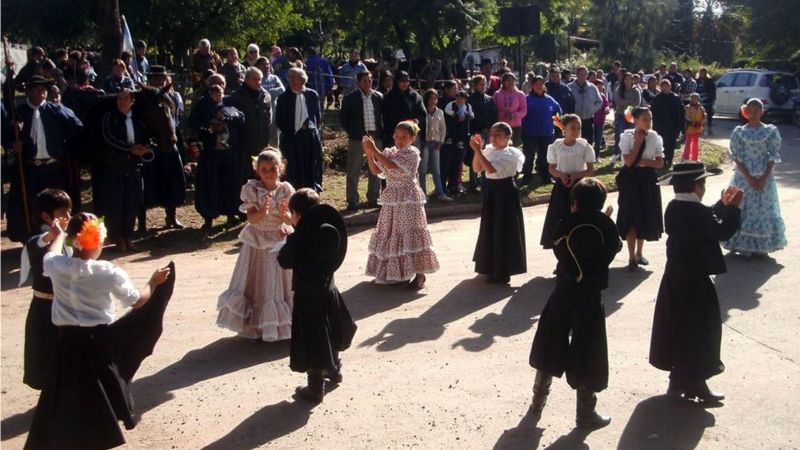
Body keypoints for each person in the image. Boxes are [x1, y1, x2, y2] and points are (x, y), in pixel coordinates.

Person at [24, 213, 173, 450]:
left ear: (74, 241)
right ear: (96, 242)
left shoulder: (56, 265)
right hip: (97, 343)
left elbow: (52, 251)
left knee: (65, 394)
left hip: (66, 343)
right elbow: (136, 301)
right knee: (97, 396)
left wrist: (60, 235)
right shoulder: (107, 271)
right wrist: (153, 282)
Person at [529, 177, 621, 429]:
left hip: (563, 292)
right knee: (588, 352)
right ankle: (585, 413)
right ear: (602, 204)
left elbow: (559, 250)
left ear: (574, 204)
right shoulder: (605, 226)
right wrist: (604, 220)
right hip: (590, 297)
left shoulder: (564, 224)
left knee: (550, 345)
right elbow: (612, 251)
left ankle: (537, 404)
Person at [650, 162, 743, 404]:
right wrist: (733, 209)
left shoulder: (673, 207)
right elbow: (720, 232)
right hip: (695, 280)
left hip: (675, 276)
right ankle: (696, 382)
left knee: (679, 326)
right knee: (701, 331)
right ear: (696, 186)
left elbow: (704, 224)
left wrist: (721, 206)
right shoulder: (698, 213)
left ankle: (678, 377)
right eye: (703, 183)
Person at [277, 189, 358, 403]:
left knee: (313, 339)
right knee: (330, 332)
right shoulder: (327, 230)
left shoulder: (299, 236)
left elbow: (284, 260)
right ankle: (333, 370)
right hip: (329, 290)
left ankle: (315, 387)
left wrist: (289, 239)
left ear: (296, 214)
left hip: (308, 296)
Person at [217, 149, 295, 341]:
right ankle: (255, 326)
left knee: (279, 283)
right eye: (264, 169)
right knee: (258, 282)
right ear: (257, 171)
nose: (269, 173)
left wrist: (285, 217)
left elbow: (291, 219)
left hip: (279, 239)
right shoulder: (252, 189)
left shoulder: (286, 190)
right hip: (258, 241)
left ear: (281, 168)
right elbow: (252, 219)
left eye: (273, 168)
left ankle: (282, 325)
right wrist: (264, 210)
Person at [361, 121, 440, 289]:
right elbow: (377, 171)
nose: (400, 140)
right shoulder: (390, 152)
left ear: (413, 138)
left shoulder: (412, 153)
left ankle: (420, 275)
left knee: (410, 234)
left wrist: (375, 150)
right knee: (392, 233)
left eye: (404, 137)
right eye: (397, 137)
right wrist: (369, 154)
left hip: (408, 198)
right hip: (392, 198)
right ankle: (400, 273)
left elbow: (393, 166)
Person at [6, 75, 84, 243]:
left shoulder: (55, 110)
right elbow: (5, 134)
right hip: (29, 168)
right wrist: (12, 144)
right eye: (37, 89)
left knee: (55, 204)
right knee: (31, 204)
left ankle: (57, 238)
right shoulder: (19, 112)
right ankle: (33, 240)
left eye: (44, 89)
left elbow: (76, 126)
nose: (41, 92)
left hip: (52, 167)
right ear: (28, 91)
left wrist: (64, 145)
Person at [20, 189, 72, 390]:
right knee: (46, 355)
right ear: (46, 216)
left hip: (67, 305)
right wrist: (53, 234)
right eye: (62, 213)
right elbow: (37, 243)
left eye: (69, 212)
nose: (67, 217)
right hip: (44, 309)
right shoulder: (37, 240)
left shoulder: (67, 238)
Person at [723, 98, 787, 256]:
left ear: (762, 112)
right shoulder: (739, 132)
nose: (753, 114)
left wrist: (764, 177)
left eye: (756, 111)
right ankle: (739, 243)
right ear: (745, 112)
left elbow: (773, 156)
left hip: (764, 178)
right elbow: (736, 157)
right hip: (743, 177)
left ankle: (760, 246)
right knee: (741, 208)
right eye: (750, 111)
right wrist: (749, 177)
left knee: (762, 209)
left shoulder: (770, 131)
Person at [470, 122, 526, 284]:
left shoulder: (511, 154)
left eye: (498, 134)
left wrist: (478, 151)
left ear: (507, 137)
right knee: (490, 228)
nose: (493, 137)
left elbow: (491, 169)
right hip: (491, 191)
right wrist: (478, 151)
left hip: (505, 192)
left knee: (503, 231)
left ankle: (503, 271)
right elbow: (476, 168)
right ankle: (490, 267)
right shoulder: (488, 150)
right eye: (492, 133)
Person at [101, 88, 152, 252]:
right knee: (116, 204)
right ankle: (117, 238)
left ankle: (129, 237)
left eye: (126, 98)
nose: (122, 101)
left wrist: (144, 149)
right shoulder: (110, 118)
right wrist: (129, 148)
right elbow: (108, 138)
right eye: (120, 98)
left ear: (132, 101)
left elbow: (147, 137)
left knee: (132, 203)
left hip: (134, 167)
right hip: (116, 166)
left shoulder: (138, 119)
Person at [189, 84, 246, 229]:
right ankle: (208, 217)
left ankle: (231, 214)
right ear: (210, 93)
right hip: (211, 151)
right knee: (210, 184)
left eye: (220, 93)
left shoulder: (228, 102)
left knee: (230, 184)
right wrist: (210, 126)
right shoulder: (202, 105)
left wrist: (226, 118)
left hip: (229, 151)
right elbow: (193, 122)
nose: (217, 97)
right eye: (215, 94)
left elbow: (241, 117)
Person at [616, 106, 665, 271]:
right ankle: (631, 257)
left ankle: (639, 253)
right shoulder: (627, 136)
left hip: (648, 179)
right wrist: (637, 142)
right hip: (630, 180)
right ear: (635, 120)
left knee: (644, 214)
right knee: (631, 216)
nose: (648, 122)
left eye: (650, 119)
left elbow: (659, 162)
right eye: (645, 119)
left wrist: (643, 162)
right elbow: (628, 162)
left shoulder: (655, 137)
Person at [540, 115, 596, 249]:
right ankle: (562, 257)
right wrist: (561, 175)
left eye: (578, 128)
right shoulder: (556, 146)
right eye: (572, 128)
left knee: (580, 220)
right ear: (563, 128)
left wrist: (576, 175)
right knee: (561, 220)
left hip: (580, 187)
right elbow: (551, 168)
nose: (576, 131)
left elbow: (590, 170)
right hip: (562, 187)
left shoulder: (584, 146)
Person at [340, 71, 383, 209]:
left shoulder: (379, 97)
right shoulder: (350, 98)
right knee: (353, 170)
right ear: (359, 82)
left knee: (376, 169)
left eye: (370, 81)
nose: (367, 83)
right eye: (364, 81)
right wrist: (354, 133)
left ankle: (374, 197)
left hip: (375, 137)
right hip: (357, 139)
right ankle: (352, 200)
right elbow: (343, 120)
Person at [276, 67, 324, 192]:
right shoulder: (283, 97)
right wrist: (293, 128)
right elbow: (279, 120)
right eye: (291, 78)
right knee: (294, 168)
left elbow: (317, 117)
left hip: (310, 137)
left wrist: (311, 128)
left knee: (311, 165)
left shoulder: (312, 95)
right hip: (292, 138)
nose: (294, 81)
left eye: (298, 79)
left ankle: (312, 190)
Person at [228, 67, 272, 188]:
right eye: (255, 79)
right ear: (246, 79)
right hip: (243, 144)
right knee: (244, 178)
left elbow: (268, 118)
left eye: (260, 79)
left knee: (261, 176)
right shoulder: (236, 96)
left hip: (261, 143)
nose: (258, 82)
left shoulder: (265, 95)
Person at [521, 75, 562, 185]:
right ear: (532, 85)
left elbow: (558, 110)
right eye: (536, 84)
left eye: (541, 84)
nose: (539, 86)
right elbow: (522, 115)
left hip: (547, 133)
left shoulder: (549, 99)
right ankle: (527, 175)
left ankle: (545, 176)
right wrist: (526, 126)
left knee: (544, 157)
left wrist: (557, 120)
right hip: (530, 133)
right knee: (529, 156)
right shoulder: (526, 99)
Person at [420, 89, 450, 201]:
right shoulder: (422, 111)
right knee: (422, 169)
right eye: (430, 98)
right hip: (425, 143)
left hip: (436, 143)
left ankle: (440, 193)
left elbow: (443, 128)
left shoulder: (440, 112)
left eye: (435, 98)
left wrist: (441, 142)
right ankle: (423, 193)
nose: (433, 101)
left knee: (436, 170)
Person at [381, 71, 425, 147]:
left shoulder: (415, 97)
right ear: (397, 82)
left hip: (411, 135)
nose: (404, 83)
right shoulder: (389, 97)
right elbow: (385, 117)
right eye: (401, 81)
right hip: (393, 136)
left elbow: (422, 114)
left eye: (407, 81)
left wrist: (415, 120)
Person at [443, 90, 475, 195]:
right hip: (451, 137)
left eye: (462, 98)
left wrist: (465, 114)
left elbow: (471, 116)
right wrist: (459, 114)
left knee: (458, 162)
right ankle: (446, 186)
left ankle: (455, 185)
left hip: (462, 138)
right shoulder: (450, 105)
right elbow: (450, 115)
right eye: (458, 97)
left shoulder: (468, 106)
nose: (460, 100)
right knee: (448, 162)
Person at [650, 79, 684, 167]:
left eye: (667, 86)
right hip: (661, 126)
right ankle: (663, 160)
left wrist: (681, 125)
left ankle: (670, 159)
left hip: (673, 125)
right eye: (663, 86)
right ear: (660, 87)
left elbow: (681, 111)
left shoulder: (676, 97)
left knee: (672, 143)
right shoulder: (657, 98)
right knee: (663, 144)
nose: (665, 88)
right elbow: (654, 113)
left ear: (670, 87)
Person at [567, 67, 603, 148]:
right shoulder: (569, 87)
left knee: (588, 141)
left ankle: (587, 159)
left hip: (588, 119)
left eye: (585, 74)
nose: (583, 76)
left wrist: (592, 109)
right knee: (574, 140)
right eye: (581, 74)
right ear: (576, 75)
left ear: (587, 75)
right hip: (574, 119)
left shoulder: (592, 88)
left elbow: (599, 102)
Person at [611, 70, 641, 163]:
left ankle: (629, 155)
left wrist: (626, 102)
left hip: (631, 116)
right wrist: (629, 102)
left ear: (632, 80)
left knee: (630, 135)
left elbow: (637, 103)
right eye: (626, 79)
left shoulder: (636, 90)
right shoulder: (619, 89)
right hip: (620, 114)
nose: (627, 80)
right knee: (619, 135)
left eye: (629, 79)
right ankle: (616, 154)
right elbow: (618, 100)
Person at [254, 57, 285, 147]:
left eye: (267, 64)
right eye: (263, 64)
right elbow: (258, 92)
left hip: (274, 112)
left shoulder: (274, 78)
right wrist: (272, 91)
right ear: (258, 66)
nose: (266, 66)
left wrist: (267, 91)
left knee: (274, 137)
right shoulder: (257, 78)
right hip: (260, 113)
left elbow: (282, 90)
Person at [493, 73, 527, 147]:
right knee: (501, 146)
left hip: (516, 126)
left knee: (514, 147)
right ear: (503, 82)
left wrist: (514, 115)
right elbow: (494, 110)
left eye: (512, 80)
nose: (510, 82)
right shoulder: (497, 94)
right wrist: (503, 114)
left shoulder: (520, 94)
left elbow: (524, 111)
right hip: (501, 126)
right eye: (508, 80)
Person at [683, 93, 706, 161]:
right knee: (688, 143)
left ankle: (695, 158)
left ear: (698, 99)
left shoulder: (701, 108)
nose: (694, 100)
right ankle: (686, 158)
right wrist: (693, 123)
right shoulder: (687, 107)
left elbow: (705, 116)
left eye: (696, 98)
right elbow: (686, 117)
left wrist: (701, 123)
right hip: (690, 128)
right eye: (692, 98)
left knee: (696, 143)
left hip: (698, 128)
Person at [696, 68, 716, 135]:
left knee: (709, 115)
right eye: (701, 72)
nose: (702, 74)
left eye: (703, 72)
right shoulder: (697, 80)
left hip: (708, 100)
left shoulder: (709, 80)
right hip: (700, 100)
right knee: (700, 115)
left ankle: (709, 128)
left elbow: (713, 90)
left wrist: (713, 99)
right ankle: (701, 129)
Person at [592, 80, 609, 156]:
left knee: (598, 139)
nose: (599, 88)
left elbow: (607, 105)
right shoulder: (591, 95)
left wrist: (607, 109)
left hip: (600, 121)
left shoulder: (603, 96)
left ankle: (597, 155)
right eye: (597, 87)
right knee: (590, 138)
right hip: (591, 121)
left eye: (601, 87)